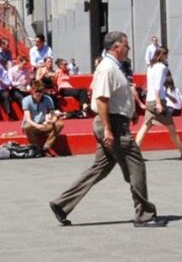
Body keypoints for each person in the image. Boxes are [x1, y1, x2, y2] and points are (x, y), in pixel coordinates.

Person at [49, 31, 163, 228]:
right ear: (116, 46)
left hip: (115, 121)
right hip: (113, 125)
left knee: (99, 168)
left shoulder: (115, 67)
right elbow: (102, 100)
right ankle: (144, 214)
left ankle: (62, 204)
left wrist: (131, 112)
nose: (128, 48)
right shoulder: (107, 68)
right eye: (126, 45)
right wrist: (109, 130)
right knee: (136, 164)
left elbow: (117, 95)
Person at [134, 47, 182, 158]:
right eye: (166, 55)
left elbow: (151, 85)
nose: (167, 58)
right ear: (162, 56)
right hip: (158, 100)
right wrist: (159, 103)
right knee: (171, 127)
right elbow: (157, 86)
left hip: (149, 100)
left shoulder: (150, 67)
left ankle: (134, 152)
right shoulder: (162, 67)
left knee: (145, 126)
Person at [22, 81, 64, 156]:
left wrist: (52, 120)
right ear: (32, 91)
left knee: (60, 124)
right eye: (36, 91)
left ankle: (46, 147)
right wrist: (36, 125)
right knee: (26, 126)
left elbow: (53, 114)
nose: (38, 94)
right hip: (32, 124)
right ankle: (36, 148)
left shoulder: (48, 99)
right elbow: (28, 119)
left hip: (43, 123)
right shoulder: (26, 100)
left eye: (40, 91)